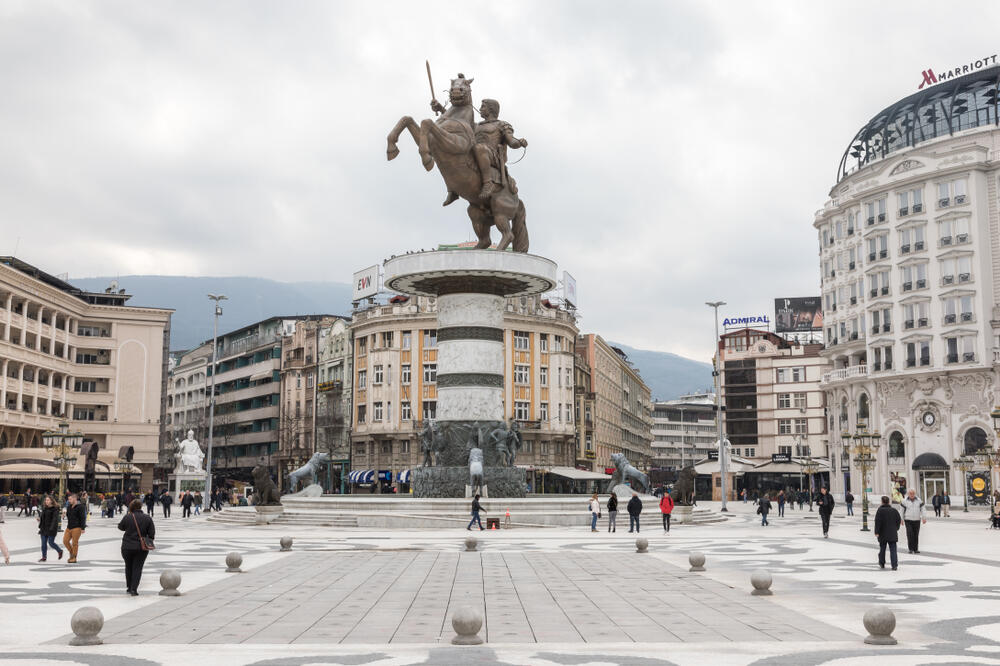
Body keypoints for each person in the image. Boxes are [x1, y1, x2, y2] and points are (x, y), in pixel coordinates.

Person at [118, 499, 155, 596]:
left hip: (127, 546)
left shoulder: (128, 517)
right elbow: (152, 534)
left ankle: (129, 587)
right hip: (141, 548)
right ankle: (134, 589)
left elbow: (120, 527)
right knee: (137, 568)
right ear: (141, 506)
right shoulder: (147, 518)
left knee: (128, 566)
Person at [874, 495, 901, 570]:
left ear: (882, 502)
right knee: (893, 550)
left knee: (882, 548)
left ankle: (882, 563)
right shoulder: (894, 510)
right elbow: (898, 520)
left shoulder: (880, 510)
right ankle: (894, 565)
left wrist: (877, 532)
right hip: (892, 533)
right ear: (889, 502)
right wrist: (896, 528)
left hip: (882, 533)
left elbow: (877, 522)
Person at [37, 495, 63, 562]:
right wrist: (39, 519)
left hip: (51, 528)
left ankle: (60, 551)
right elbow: (43, 517)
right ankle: (44, 557)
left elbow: (55, 519)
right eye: (46, 500)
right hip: (43, 528)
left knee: (51, 543)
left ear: (51, 501)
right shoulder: (44, 508)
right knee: (43, 544)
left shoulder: (55, 509)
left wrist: (51, 528)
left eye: (48, 500)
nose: (46, 501)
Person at [901, 488, 926, 554]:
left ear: (915, 494)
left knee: (916, 534)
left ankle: (916, 549)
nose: (912, 495)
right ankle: (910, 548)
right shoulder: (904, 501)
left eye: (913, 493)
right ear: (908, 494)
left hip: (917, 520)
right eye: (910, 493)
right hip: (908, 520)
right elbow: (901, 511)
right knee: (910, 534)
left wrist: (924, 517)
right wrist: (901, 519)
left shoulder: (919, 500)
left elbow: (923, 509)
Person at [63, 493, 86, 563]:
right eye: (68, 499)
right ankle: (72, 553)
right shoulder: (69, 507)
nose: (69, 501)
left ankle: (74, 557)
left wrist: (83, 528)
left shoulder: (81, 507)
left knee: (74, 543)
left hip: (77, 527)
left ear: (75, 499)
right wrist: (64, 515)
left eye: (70, 499)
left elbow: (83, 517)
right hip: (69, 527)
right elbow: (68, 515)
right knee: (65, 541)